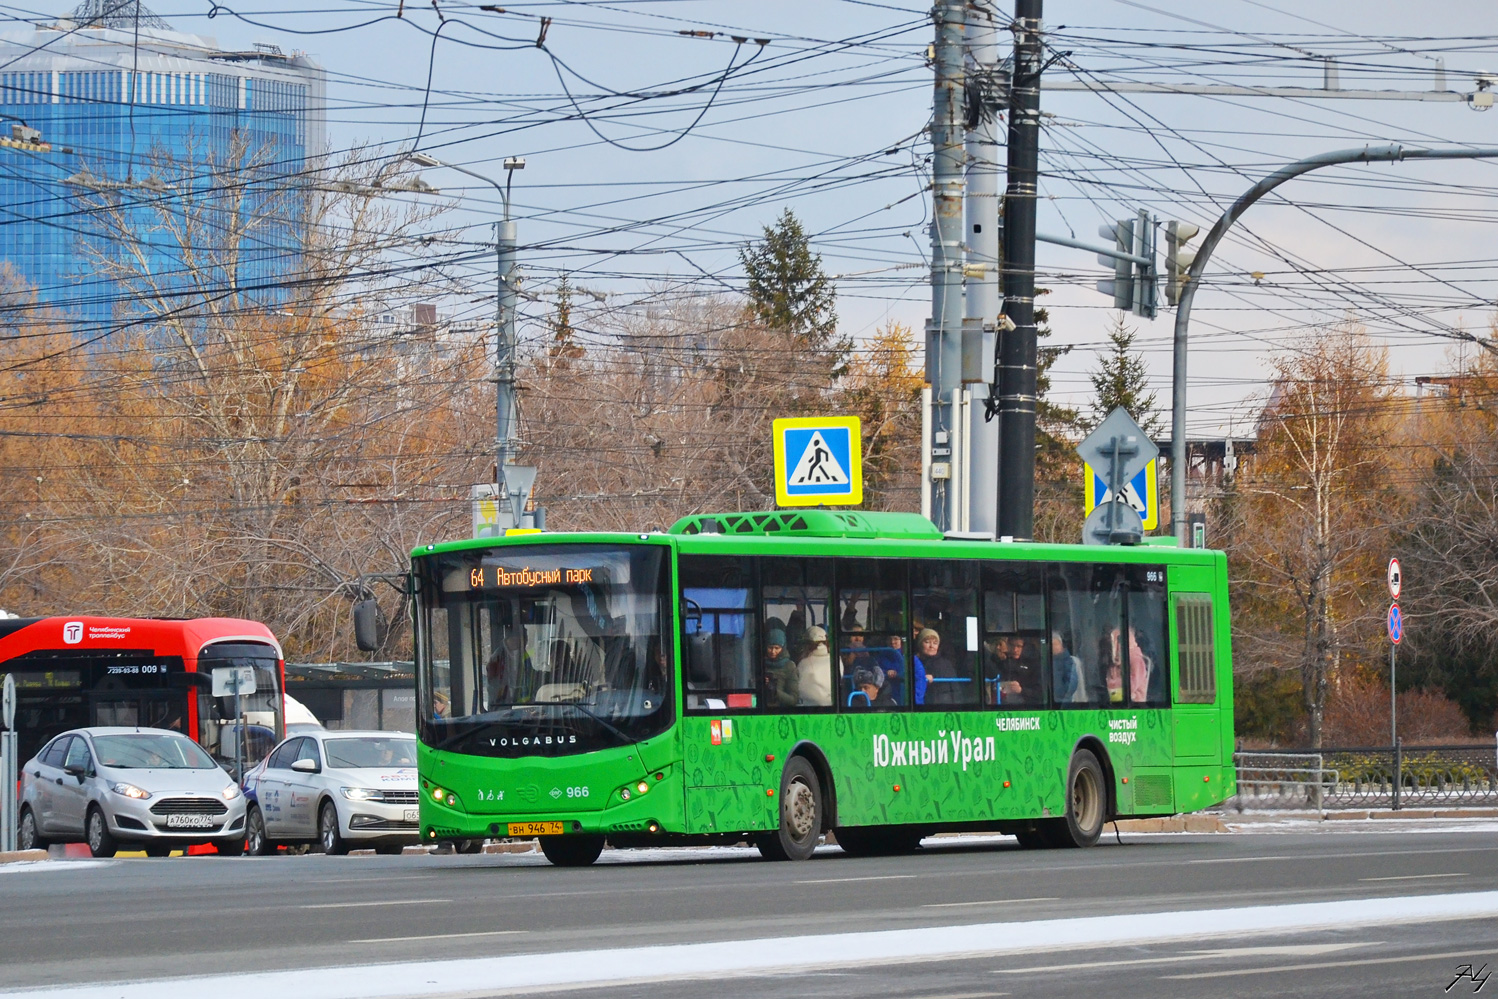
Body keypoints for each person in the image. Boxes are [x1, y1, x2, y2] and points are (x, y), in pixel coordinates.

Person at [913, 628, 958, 705]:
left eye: (935, 643)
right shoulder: (913, 662)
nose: (931, 646)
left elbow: (956, 689)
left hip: (944, 707)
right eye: (927, 642)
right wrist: (921, 679)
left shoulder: (946, 664)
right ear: (920, 644)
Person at [796, 625, 833, 706]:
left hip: (809, 707)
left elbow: (798, 690)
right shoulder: (836, 660)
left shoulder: (804, 663)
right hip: (831, 703)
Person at [763, 628, 799, 707]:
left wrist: (775, 692)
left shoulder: (789, 666)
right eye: (770, 647)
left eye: (777, 648)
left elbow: (794, 699)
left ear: (783, 648)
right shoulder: (759, 664)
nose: (773, 651)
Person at [1051, 631, 1085, 704]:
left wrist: (1059, 695)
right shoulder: (1048, 661)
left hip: (1065, 704)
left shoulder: (1070, 661)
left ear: (1061, 645)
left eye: (1055, 644)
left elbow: (1071, 685)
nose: (1053, 647)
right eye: (1051, 645)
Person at [873, 633, 905, 704]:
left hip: (902, 690)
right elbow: (875, 669)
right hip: (884, 690)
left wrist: (897, 673)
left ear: (901, 641)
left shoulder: (907, 654)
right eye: (889, 639)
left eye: (896, 639)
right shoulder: (881, 655)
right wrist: (885, 672)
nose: (892, 642)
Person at [1127, 626, 1153, 703]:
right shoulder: (1117, 660)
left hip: (1136, 703)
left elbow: (1132, 684)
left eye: (1118, 639)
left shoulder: (1136, 660)